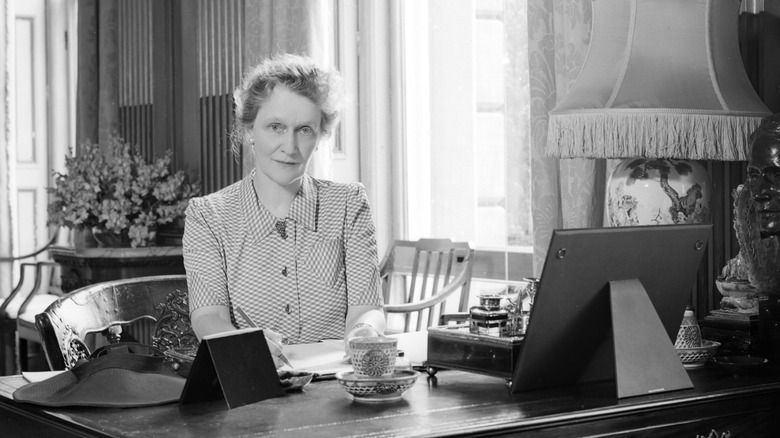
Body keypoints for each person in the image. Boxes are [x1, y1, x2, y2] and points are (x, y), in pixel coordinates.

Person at [182, 54, 386, 367]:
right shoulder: (207, 216)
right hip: (255, 380)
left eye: (305, 130)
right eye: (275, 127)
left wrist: (363, 334)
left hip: (337, 385)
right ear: (250, 130)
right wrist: (244, 345)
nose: (289, 147)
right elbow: (208, 316)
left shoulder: (349, 203)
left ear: (320, 137)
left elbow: (366, 306)